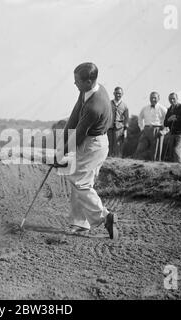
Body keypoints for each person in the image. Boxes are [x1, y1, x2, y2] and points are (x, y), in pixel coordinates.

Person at [55, 62, 118, 240]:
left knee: (80, 183)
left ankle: (105, 217)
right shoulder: (88, 90)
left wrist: (61, 155)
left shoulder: (94, 106)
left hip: (93, 145)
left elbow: (79, 135)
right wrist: (60, 147)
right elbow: (74, 117)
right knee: (77, 178)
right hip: (92, 141)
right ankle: (79, 222)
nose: (75, 84)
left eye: (77, 81)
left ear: (89, 81)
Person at [134, 92, 168, 161]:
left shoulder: (163, 109)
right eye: (151, 98)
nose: (153, 99)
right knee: (140, 149)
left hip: (157, 130)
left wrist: (164, 131)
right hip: (146, 129)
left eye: (155, 98)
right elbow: (140, 118)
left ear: (158, 99)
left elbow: (168, 121)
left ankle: (155, 167)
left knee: (155, 153)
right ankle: (137, 164)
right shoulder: (145, 108)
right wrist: (142, 128)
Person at [163, 93, 181, 163]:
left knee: (176, 150)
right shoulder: (169, 109)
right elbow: (165, 123)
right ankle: (172, 171)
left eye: (173, 98)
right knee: (171, 153)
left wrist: (176, 118)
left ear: (177, 99)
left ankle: (179, 168)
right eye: (170, 99)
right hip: (172, 134)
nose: (172, 100)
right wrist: (169, 120)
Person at [107, 87, 129, 157]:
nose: (118, 95)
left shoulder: (124, 106)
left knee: (118, 145)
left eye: (119, 94)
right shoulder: (109, 103)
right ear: (114, 93)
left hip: (119, 128)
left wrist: (125, 130)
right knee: (109, 144)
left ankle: (117, 159)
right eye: (116, 93)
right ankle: (108, 159)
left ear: (122, 94)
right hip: (109, 127)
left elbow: (126, 118)